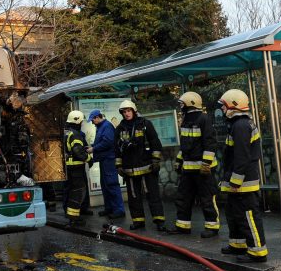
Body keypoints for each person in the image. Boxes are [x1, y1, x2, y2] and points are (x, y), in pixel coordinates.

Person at [217, 89, 268, 263]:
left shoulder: (240, 126)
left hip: (243, 182)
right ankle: (238, 244)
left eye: (224, 106)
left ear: (233, 105)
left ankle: (257, 252)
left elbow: (242, 156)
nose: (222, 109)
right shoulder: (239, 124)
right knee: (234, 213)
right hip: (238, 181)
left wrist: (235, 181)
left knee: (248, 215)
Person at [168, 92, 221, 238]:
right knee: (183, 197)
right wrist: (179, 160)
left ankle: (212, 226)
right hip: (188, 169)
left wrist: (206, 164)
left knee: (207, 198)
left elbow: (210, 143)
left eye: (182, 104)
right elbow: (185, 145)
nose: (180, 106)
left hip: (203, 170)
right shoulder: (186, 119)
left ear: (190, 103)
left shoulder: (203, 119)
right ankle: (183, 226)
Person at [113, 101, 164, 229]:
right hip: (129, 169)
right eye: (124, 112)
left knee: (153, 194)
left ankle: (159, 221)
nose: (126, 114)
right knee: (134, 196)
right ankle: (138, 221)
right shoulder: (120, 128)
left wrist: (156, 160)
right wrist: (118, 166)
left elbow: (155, 142)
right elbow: (116, 149)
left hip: (147, 166)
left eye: (129, 111)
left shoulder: (145, 124)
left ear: (134, 111)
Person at [87, 110, 125, 220]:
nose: (92, 123)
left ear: (97, 117)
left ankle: (119, 210)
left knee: (112, 184)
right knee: (105, 184)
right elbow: (102, 141)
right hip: (104, 160)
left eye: (93, 120)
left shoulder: (107, 126)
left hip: (109, 159)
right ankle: (109, 208)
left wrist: (93, 149)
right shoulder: (101, 126)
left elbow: (108, 142)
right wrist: (92, 146)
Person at [64, 110, 91, 226]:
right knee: (78, 192)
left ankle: (73, 216)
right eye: (81, 121)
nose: (82, 124)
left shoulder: (68, 133)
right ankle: (74, 218)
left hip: (70, 168)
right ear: (78, 121)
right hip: (76, 168)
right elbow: (77, 151)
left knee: (73, 191)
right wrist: (89, 159)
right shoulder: (75, 134)